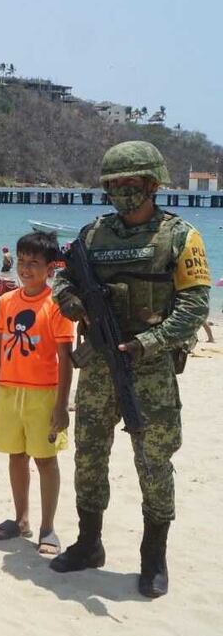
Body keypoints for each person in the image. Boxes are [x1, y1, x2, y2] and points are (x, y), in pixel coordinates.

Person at [49, 141, 211, 598]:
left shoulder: (181, 237)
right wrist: (70, 299)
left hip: (151, 369)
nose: (122, 191)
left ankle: (153, 558)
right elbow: (62, 276)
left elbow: (196, 305)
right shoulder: (92, 236)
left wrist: (148, 343)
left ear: (153, 184)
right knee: (89, 456)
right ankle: (89, 543)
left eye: (131, 183)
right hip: (99, 365)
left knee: (154, 462)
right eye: (114, 184)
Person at [0, 232, 73, 555]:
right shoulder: (8, 301)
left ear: (50, 268)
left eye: (34, 263)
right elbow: (1, 345)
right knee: (16, 455)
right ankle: (21, 519)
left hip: (43, 394)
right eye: (21, 261)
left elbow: (66, 357)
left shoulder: (56, 305)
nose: (25, 268)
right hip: (9, 390)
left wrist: (62, 404)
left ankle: (47, 527)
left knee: (45, 460)